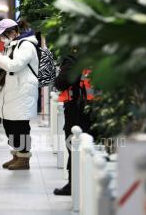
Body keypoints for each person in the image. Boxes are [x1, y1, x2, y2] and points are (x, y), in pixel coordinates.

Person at [0, 19, 39, 170]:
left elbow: (15, 65)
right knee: (9, 124)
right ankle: (16, 155)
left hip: (22, 91)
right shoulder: (12, 45)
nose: (1, 39)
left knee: (20, 125)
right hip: (12, 90)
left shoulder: (26, 45)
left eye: (3, 35)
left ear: (12, 32)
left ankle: (24, 158)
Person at [53, 54, 94, 195]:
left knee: (74, 147)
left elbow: (61, 82)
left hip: (77, 110)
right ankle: (88, 184)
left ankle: (74, 185)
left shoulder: (73, 59)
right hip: (96, 108)